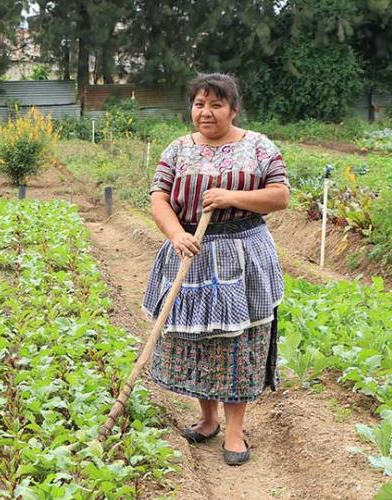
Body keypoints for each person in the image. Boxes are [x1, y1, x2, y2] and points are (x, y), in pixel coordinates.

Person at [143, 73, 289, 465]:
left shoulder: (258, 147)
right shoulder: (177, 150)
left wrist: (232, 196)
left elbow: (280, 196)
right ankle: (207, 420)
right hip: (190, 251)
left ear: (234, 109)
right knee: (197, 341)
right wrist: (176, 234)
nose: (205, 113)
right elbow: (159, 198)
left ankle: (236, 432)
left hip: (243, 256)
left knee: (237, 343)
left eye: (216, 105)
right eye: (199, 104)